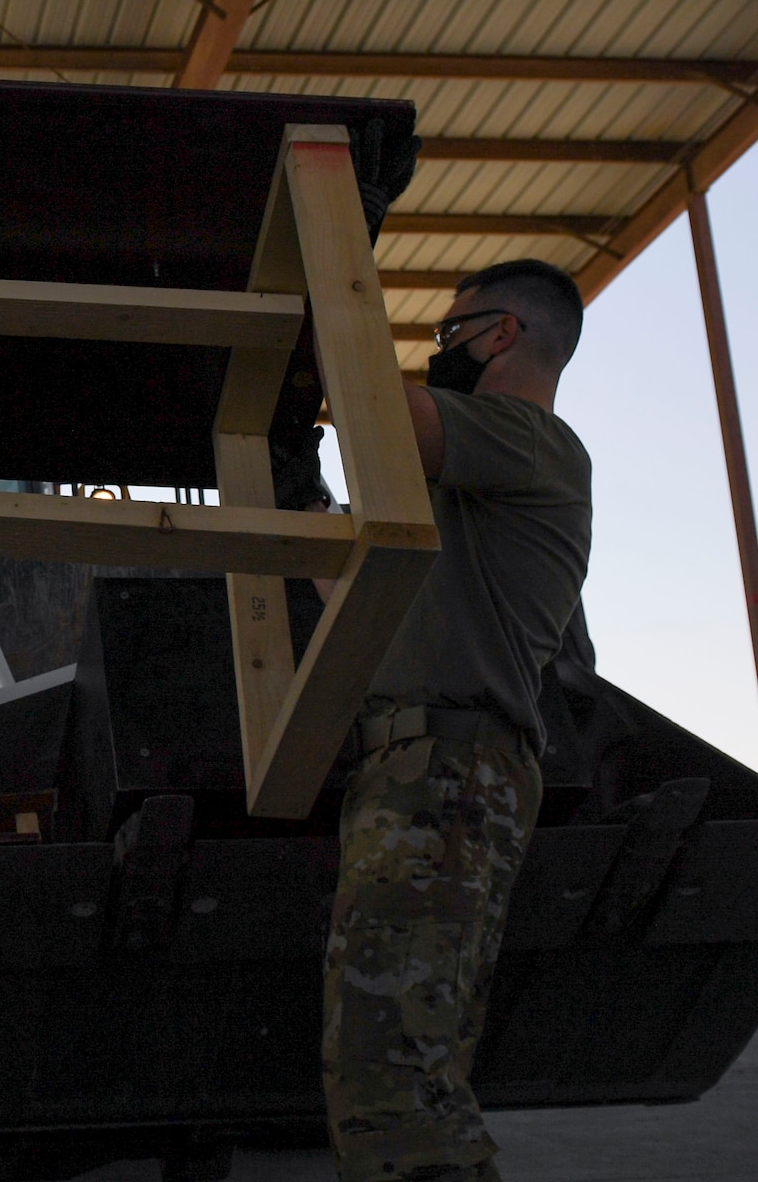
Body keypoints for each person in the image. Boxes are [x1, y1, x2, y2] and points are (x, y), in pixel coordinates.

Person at [323, 258, 594, 1182]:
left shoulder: (532, 443)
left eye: (450, 334)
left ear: (503, 334)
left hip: (448, 774)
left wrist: (317, 345)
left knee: (394, 1091)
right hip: (428, 772)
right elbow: (358, 587)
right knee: (400, 1078)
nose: (438, 355)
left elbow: (388, 411)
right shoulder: (461, 497)